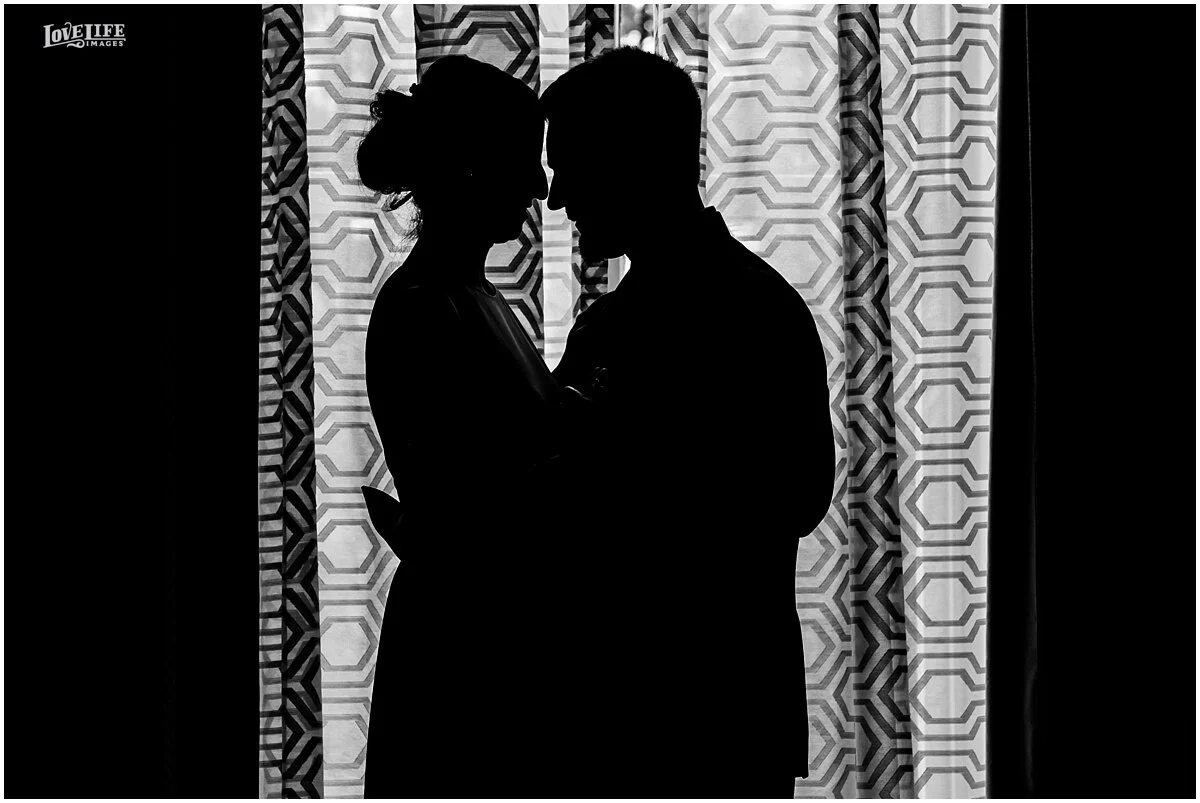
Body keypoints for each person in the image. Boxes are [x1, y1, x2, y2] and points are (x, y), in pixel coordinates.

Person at [542, 47, 835, 798]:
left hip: (715, 714)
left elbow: (800, 495)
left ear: (632, 160)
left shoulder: (757, 313)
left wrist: (619, 451)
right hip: (622, 709)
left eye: (571, 166)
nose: (556, 196)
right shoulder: (610, 325)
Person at [356, 55, 571, 798]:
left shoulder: (472, 297)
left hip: (488, 640)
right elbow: (475, 506)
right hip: (468, 655)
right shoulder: (425, 306)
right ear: (472, 168)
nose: (540, 187)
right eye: (524, 162)